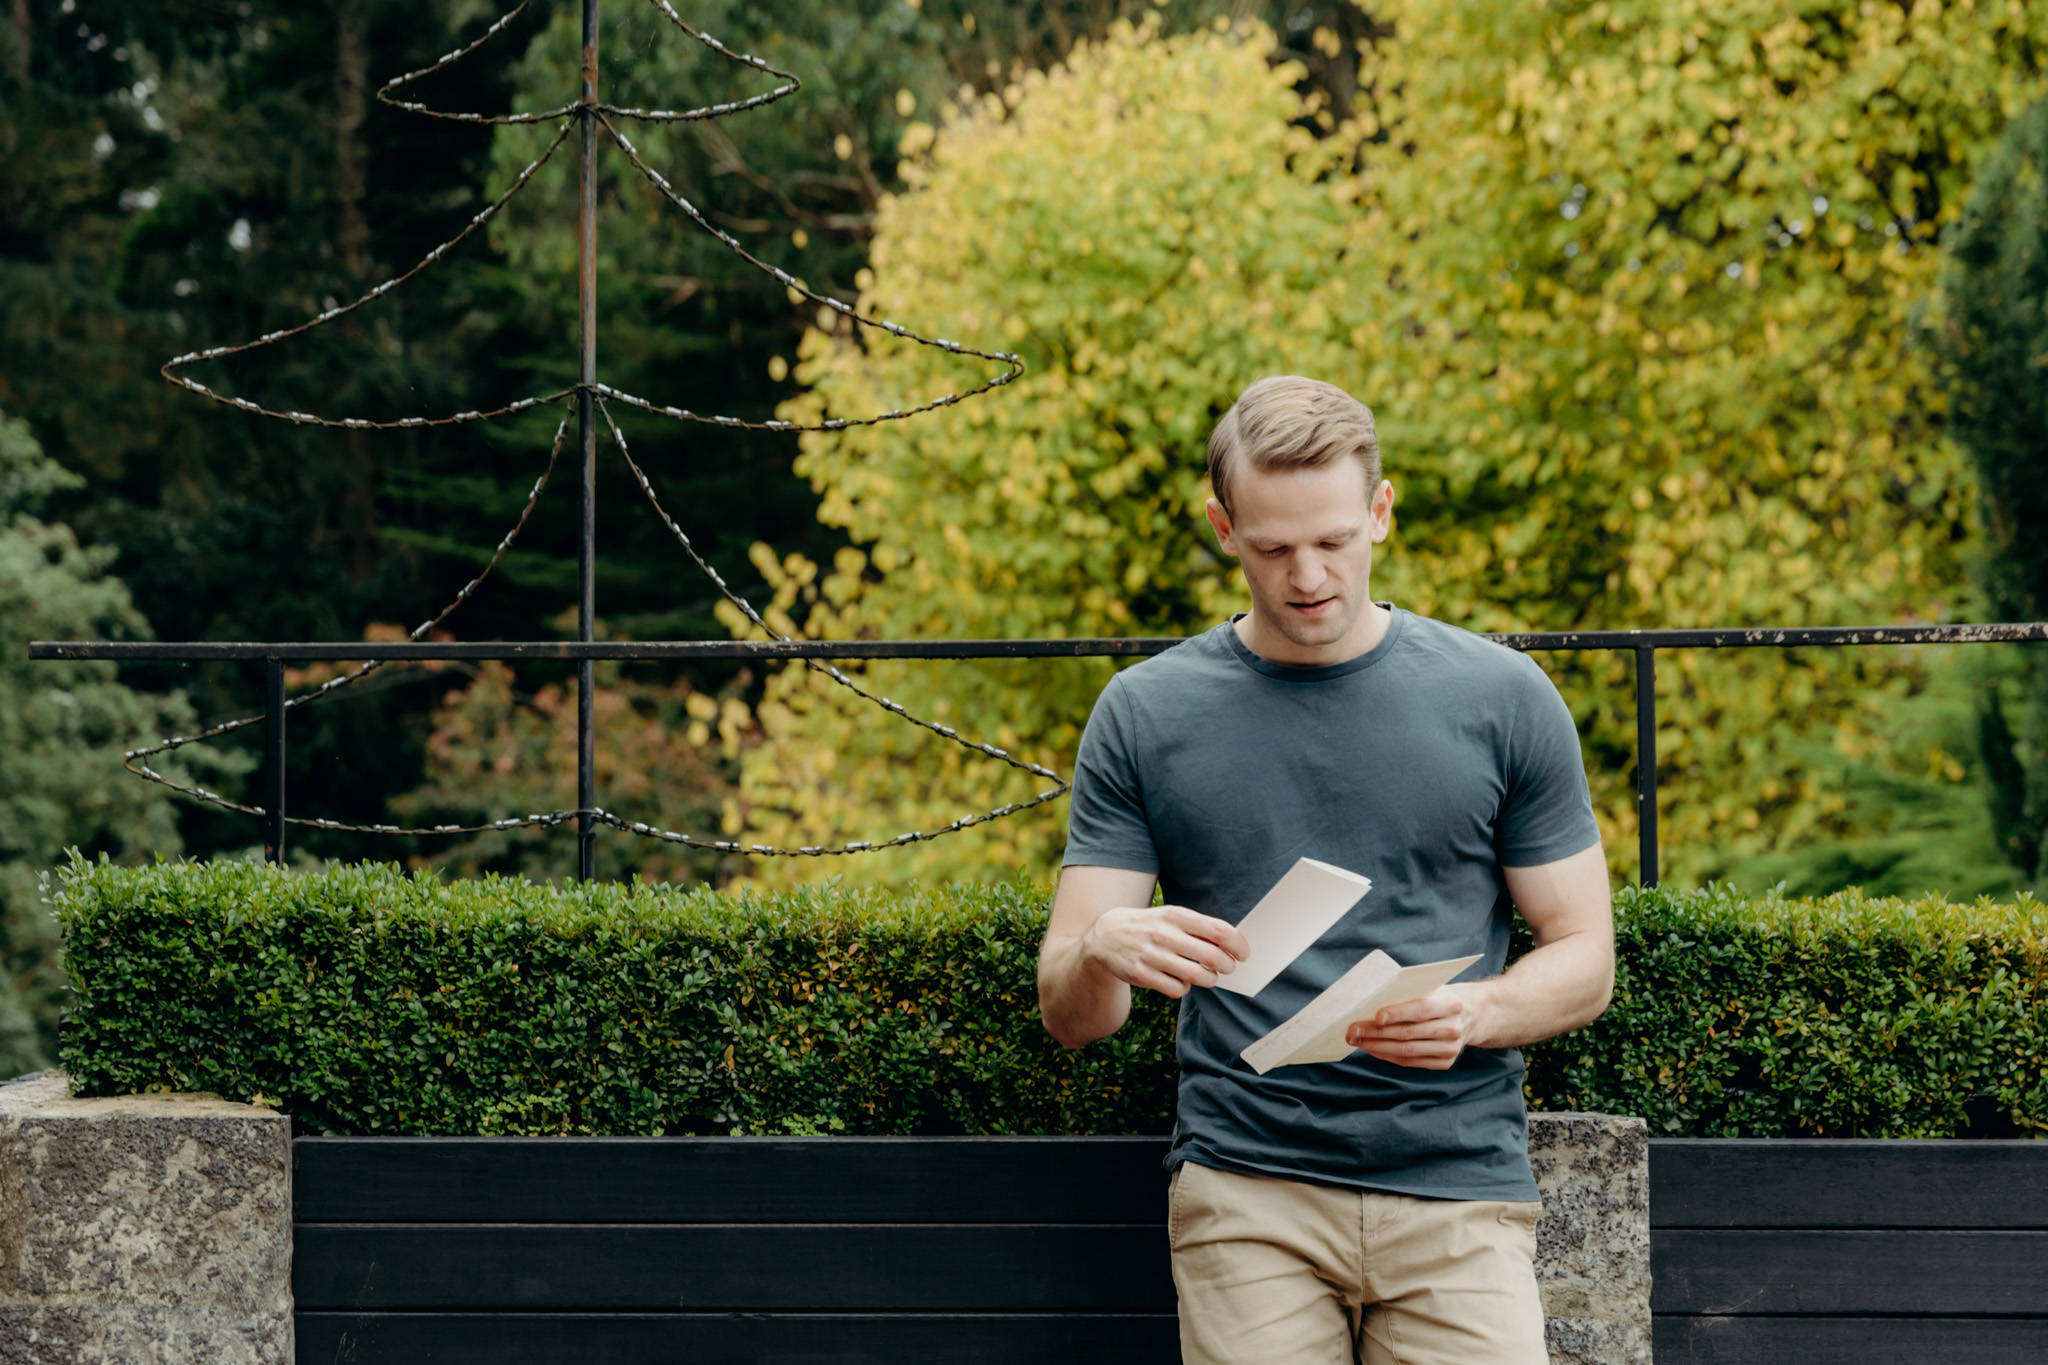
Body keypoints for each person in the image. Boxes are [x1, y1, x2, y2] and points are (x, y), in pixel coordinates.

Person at [1036, 375, 1614, 1365]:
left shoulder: (1501, 698)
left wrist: (1475, 1013)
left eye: (1333, 540)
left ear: (1379, 513)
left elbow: (1584, 958)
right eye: (1271, 548)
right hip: (1245, 1190)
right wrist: (1100, 949)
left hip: (1457, 1184)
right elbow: (1069, 1015)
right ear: (1223, 529)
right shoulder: (1143, 715)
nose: (1306, 575)